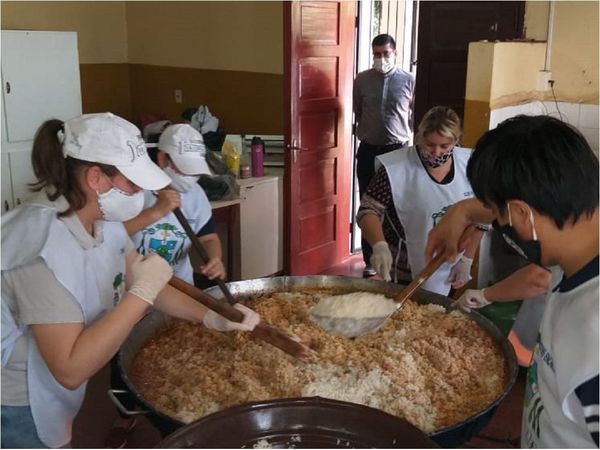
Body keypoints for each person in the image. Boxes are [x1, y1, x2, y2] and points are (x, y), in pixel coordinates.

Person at [0, 113, 260, 449]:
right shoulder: (39, 246)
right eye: (132, 184)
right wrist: (141, 293)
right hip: (16, 401)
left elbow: (149, 282)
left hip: (48, 390)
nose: (138, 193)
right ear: (96, 177)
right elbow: (71, 368)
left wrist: (212, 316)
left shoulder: (99, 221)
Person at [425, 115, 598, 448]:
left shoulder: (592, 330)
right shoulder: (579, 242)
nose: (498, 223)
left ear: (521, 213)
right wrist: (459, 212)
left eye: (498, 214)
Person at [358, 106, 482, 295]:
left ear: (456, 141)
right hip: (403, 264)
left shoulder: (470, 165)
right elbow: (368, 210)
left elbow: (482, 217)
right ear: (419, 137)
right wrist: (379, 245)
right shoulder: (397, 167)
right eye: (429, 144)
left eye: (445, 146)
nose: (436, 152)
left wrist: (467, 260)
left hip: (448, 261)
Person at [125, 123, 225, 286]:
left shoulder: (196, 194)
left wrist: (215, 259)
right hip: (133, 289)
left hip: (180, 286)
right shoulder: (133, 189)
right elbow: (111, 237)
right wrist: (156, 212)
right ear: (163, 158)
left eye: (195, 172)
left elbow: (208, 238)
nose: (191, 177)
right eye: (185, 169)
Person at [353, 33, 415, 277]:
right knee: (367, 205)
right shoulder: (362, 80)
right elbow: (358, 109)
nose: (380, 59)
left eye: (385, 54)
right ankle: (370, 259)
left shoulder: (409, 80)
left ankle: (394, 258)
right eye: (376, 54)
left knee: (394, 207)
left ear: (395, 53)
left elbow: (412, 114)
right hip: (368, 149)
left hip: (396, 150)